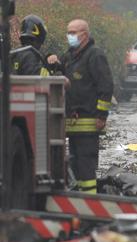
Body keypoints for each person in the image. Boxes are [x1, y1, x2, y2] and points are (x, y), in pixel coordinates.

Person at [48, 19, 114, 194]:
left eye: (73, 33)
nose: (70, 36)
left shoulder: (95, 55)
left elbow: (106, 86)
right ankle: (78, 197)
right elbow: (61, 73)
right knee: (74, 163)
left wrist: (101, 115)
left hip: (89, 120)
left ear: (84, 35)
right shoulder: (69, 56)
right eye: (68, 32)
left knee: (86, 164)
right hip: (72, 122)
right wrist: (53, 62)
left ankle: (90, 201)